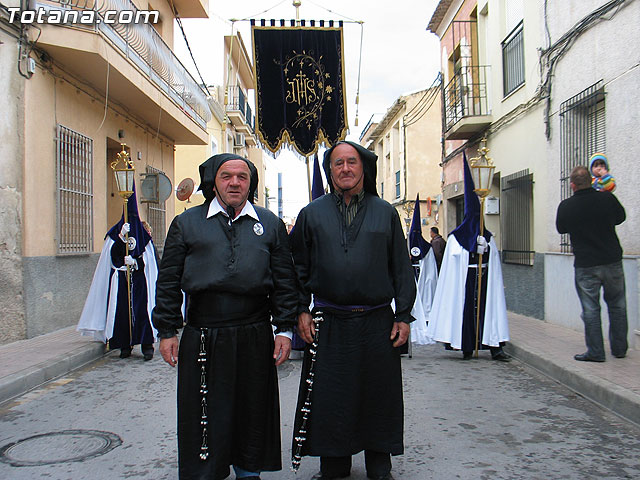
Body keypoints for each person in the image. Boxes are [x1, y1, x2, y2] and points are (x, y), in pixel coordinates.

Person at [152, 153, 298, 480]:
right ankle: (207, 472)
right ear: (213, 182)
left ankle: (249, 471)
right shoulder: (187, 223)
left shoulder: (270, 224)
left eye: (242, 177)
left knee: (252, 409)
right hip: (203, 333)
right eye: (226, 176)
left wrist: (284, 328)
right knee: (205, 412)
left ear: (251, 183)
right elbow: (170, 279)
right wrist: (167, 330)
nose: (235, 182)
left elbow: (285, 281)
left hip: (255, 333)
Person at [290, 141, 416, 480]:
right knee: (332, 398)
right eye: (337, 164)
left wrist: (403, 315)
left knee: (379, 396)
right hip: (329, 322)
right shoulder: (311, 214)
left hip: (377, 321)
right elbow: (296, 268)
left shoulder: (385, 212)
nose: (345, 169)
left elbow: (401, 268)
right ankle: (334, 465)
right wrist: (300, 310)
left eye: (352, 162)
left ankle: (379, 465)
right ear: (330, 171)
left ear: (363, 168)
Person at [426, 153, 510, 361]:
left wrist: (486, 249)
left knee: (488, 310)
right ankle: (465, 345)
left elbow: (495, 263)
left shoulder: (487, 236)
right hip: (465, 282)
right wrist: (471, 251)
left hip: (485, 280)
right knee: (465, 312)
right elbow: (453, 264)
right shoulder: (456, 238)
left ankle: (495, 347)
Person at [77, 184, 158, 360]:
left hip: (139, 280)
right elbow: (111, 259)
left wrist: (135, 262)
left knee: (142, 311)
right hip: (120, 279)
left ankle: (146, 345)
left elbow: (150, 261)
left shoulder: (144, 237)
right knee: (122, 312)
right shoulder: (115, 234)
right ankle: (124, 344)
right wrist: (121, 240)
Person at [556, 165, 627, 362]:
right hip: (612, 259)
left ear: (572, 185)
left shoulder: (566, 206)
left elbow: (561, 228)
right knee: (618, 304)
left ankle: (596, 352)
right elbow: (621, 217)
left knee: (590, 308)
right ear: (590, 181)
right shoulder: (607, 198)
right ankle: (619, 349)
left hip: (586, 263)